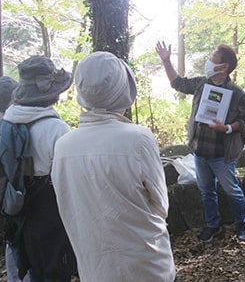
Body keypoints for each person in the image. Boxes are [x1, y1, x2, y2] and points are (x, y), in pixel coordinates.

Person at [51, 51, 176, 282]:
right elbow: (160, 206)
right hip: (146, 265)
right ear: (123, 88)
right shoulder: (138, 139)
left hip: (95, 267)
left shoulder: (63, 146)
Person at [155, 41, 245, 242]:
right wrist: (166, 61)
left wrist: (225, 128)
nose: (209, 61)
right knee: (206, 191)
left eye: (213, 58)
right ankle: (212, 225)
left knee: (232, 191)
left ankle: (243, 225)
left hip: (222, 155)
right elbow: (178, 83)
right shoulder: (202, 83)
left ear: (224, 66)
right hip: (200, 151)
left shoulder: (236, 93)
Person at [3, 56, 76, 282]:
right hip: (50, 207)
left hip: (19, 204)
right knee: (56, 266)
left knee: (31, 265)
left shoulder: (8, 121)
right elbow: (69, 179)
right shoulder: (56, 129)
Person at [0, 76, 31, 282]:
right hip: (16, 195)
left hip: (3, 195)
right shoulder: (8, 127)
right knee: (19, 245)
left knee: (12, 241)